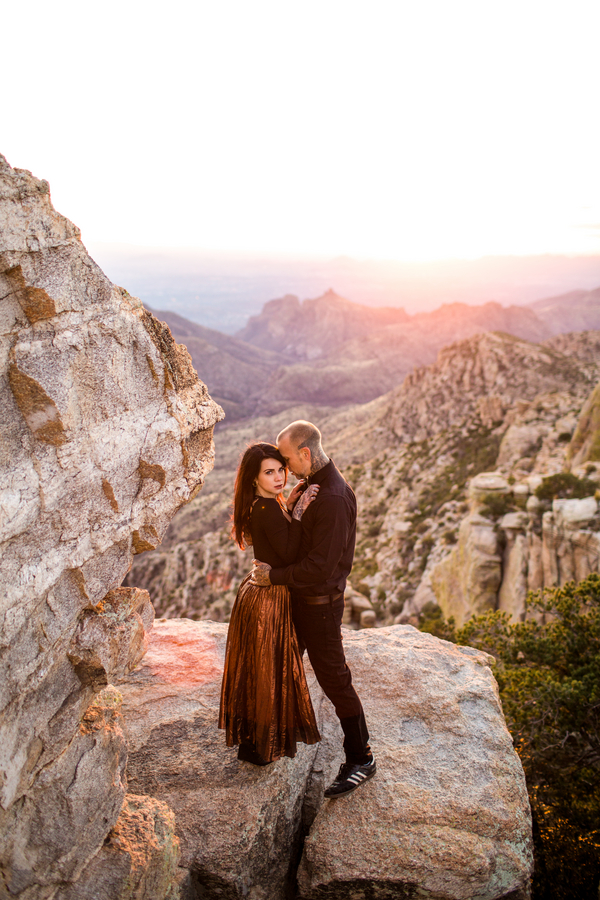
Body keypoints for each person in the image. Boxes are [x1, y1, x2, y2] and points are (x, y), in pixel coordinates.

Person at [251, 420, 376, 798]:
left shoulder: (334, 497)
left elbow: (320, 567)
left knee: (334, 679)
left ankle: (362, 758)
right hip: (299, 600)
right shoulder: (310, 486)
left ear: (305, 453)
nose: (284, 470)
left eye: (287, 460)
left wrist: (274, 577)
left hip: (320, 607)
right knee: (281, 665)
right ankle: (272, 739)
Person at [219, 442, 321, 766]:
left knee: (258, 668)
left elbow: (273, 537)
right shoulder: (267, 508)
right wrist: (299, 513)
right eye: (269, 472)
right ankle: (264, 744)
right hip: (270, 598)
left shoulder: (262, 504)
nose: (278, 478)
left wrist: (288, 506)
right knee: (271, 670)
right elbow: (288, 554)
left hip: (255, 594)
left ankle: (253, 742)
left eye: (281, 470)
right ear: (254, 478)